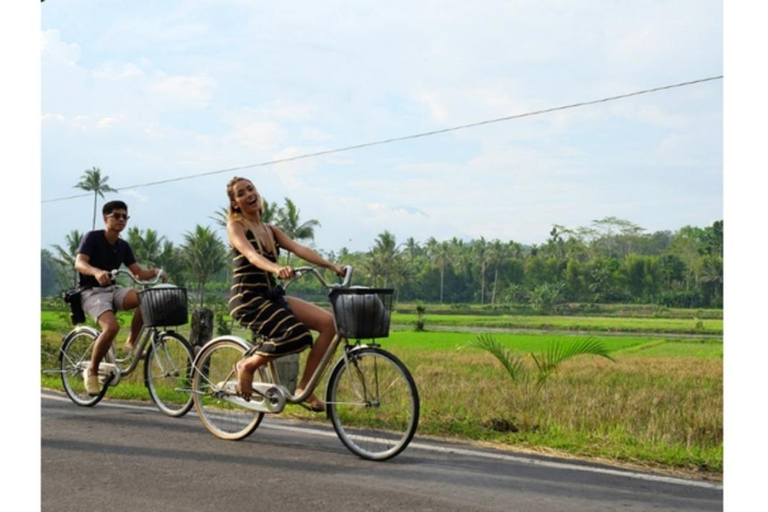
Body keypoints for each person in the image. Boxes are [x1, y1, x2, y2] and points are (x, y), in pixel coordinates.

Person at [225, 176, 345, 412]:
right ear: (235, 203)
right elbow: (251, 256)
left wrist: (332, 267)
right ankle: (248, 366)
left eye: (251, 189)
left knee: (330, 324)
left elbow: (300, 249)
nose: (249, 194)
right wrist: (276, 268)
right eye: (241, 193)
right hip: (248, 300)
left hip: (271, 295)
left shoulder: (271, 230)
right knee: (297, 335)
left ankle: (304, 389)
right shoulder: (236, 226)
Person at [74, 200, 166, 396]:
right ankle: (92, 371)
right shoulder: (93, 238)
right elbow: (79, 263)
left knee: (145, 298)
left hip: (113, 289)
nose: (121, 220)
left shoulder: (123, 245)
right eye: (116, 216)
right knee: (112, 327)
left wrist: (156, 272)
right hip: (91, 291)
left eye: (125, 216)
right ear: (105, 218)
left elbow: (138, 273)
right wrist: (96, 272)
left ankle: (130, 344)